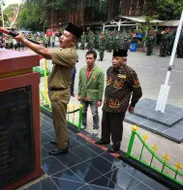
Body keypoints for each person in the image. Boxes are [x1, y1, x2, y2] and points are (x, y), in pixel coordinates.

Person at [14, 23, 80, 155]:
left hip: (59, 94)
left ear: (73, 41)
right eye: (62, 34)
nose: (61, 37)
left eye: (66, 36)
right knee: (58, 120)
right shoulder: (65, 50)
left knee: (59, 122)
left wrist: (24, 40)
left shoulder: (69, 53)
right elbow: (44, 49)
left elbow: (44, 52)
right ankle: (61, 139)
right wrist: (36, 44)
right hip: (57, 92)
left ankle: (62, 147)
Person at [95, 49, 142, 153]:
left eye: (117, 58)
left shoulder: (130, 73)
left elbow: (138, 91)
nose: (113, 61)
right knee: (105, 123)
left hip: (119, 106)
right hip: (107, 103)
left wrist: (132, 104)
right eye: (113, 58)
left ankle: (116, 146)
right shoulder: (109, 70)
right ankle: (105, 139)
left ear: (124, 59)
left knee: (116, 127)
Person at [77, 49, 105, 136]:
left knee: (94, 113)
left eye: (90, 58)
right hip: (83, 95)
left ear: (95, 59)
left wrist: (100, 99)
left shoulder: (99, 71)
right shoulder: (82, 70)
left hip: (93, 96)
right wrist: (79, 94)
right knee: (83, 111)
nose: (88, 60)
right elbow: (80, 83)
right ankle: (83, 124)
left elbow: (101, 86)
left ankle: (96, 128)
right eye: (87, 58)